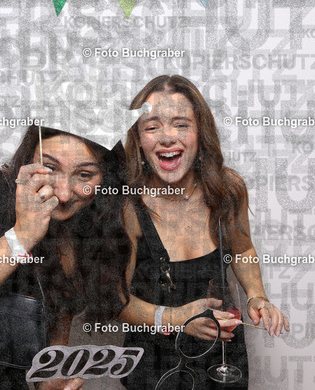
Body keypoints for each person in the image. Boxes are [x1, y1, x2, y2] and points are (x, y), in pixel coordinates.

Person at [0, 125, 132, 389]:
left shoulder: (85, 229)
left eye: (84, 175)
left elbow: (52, 343)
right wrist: (21, 236)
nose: (63, 193)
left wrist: (50, 382)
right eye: (50, 168)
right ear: (30, 155)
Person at [119, 75, 290, 389]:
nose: (168, 137)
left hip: (222, 358)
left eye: (181, 124)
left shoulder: (227, 189)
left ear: (201, 132)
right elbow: (114, 301)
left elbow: (242, 250)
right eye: (152, 127)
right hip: (154, 365)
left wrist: (257, 296)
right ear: (138, 138)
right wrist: (177, 319)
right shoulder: (127, 206)